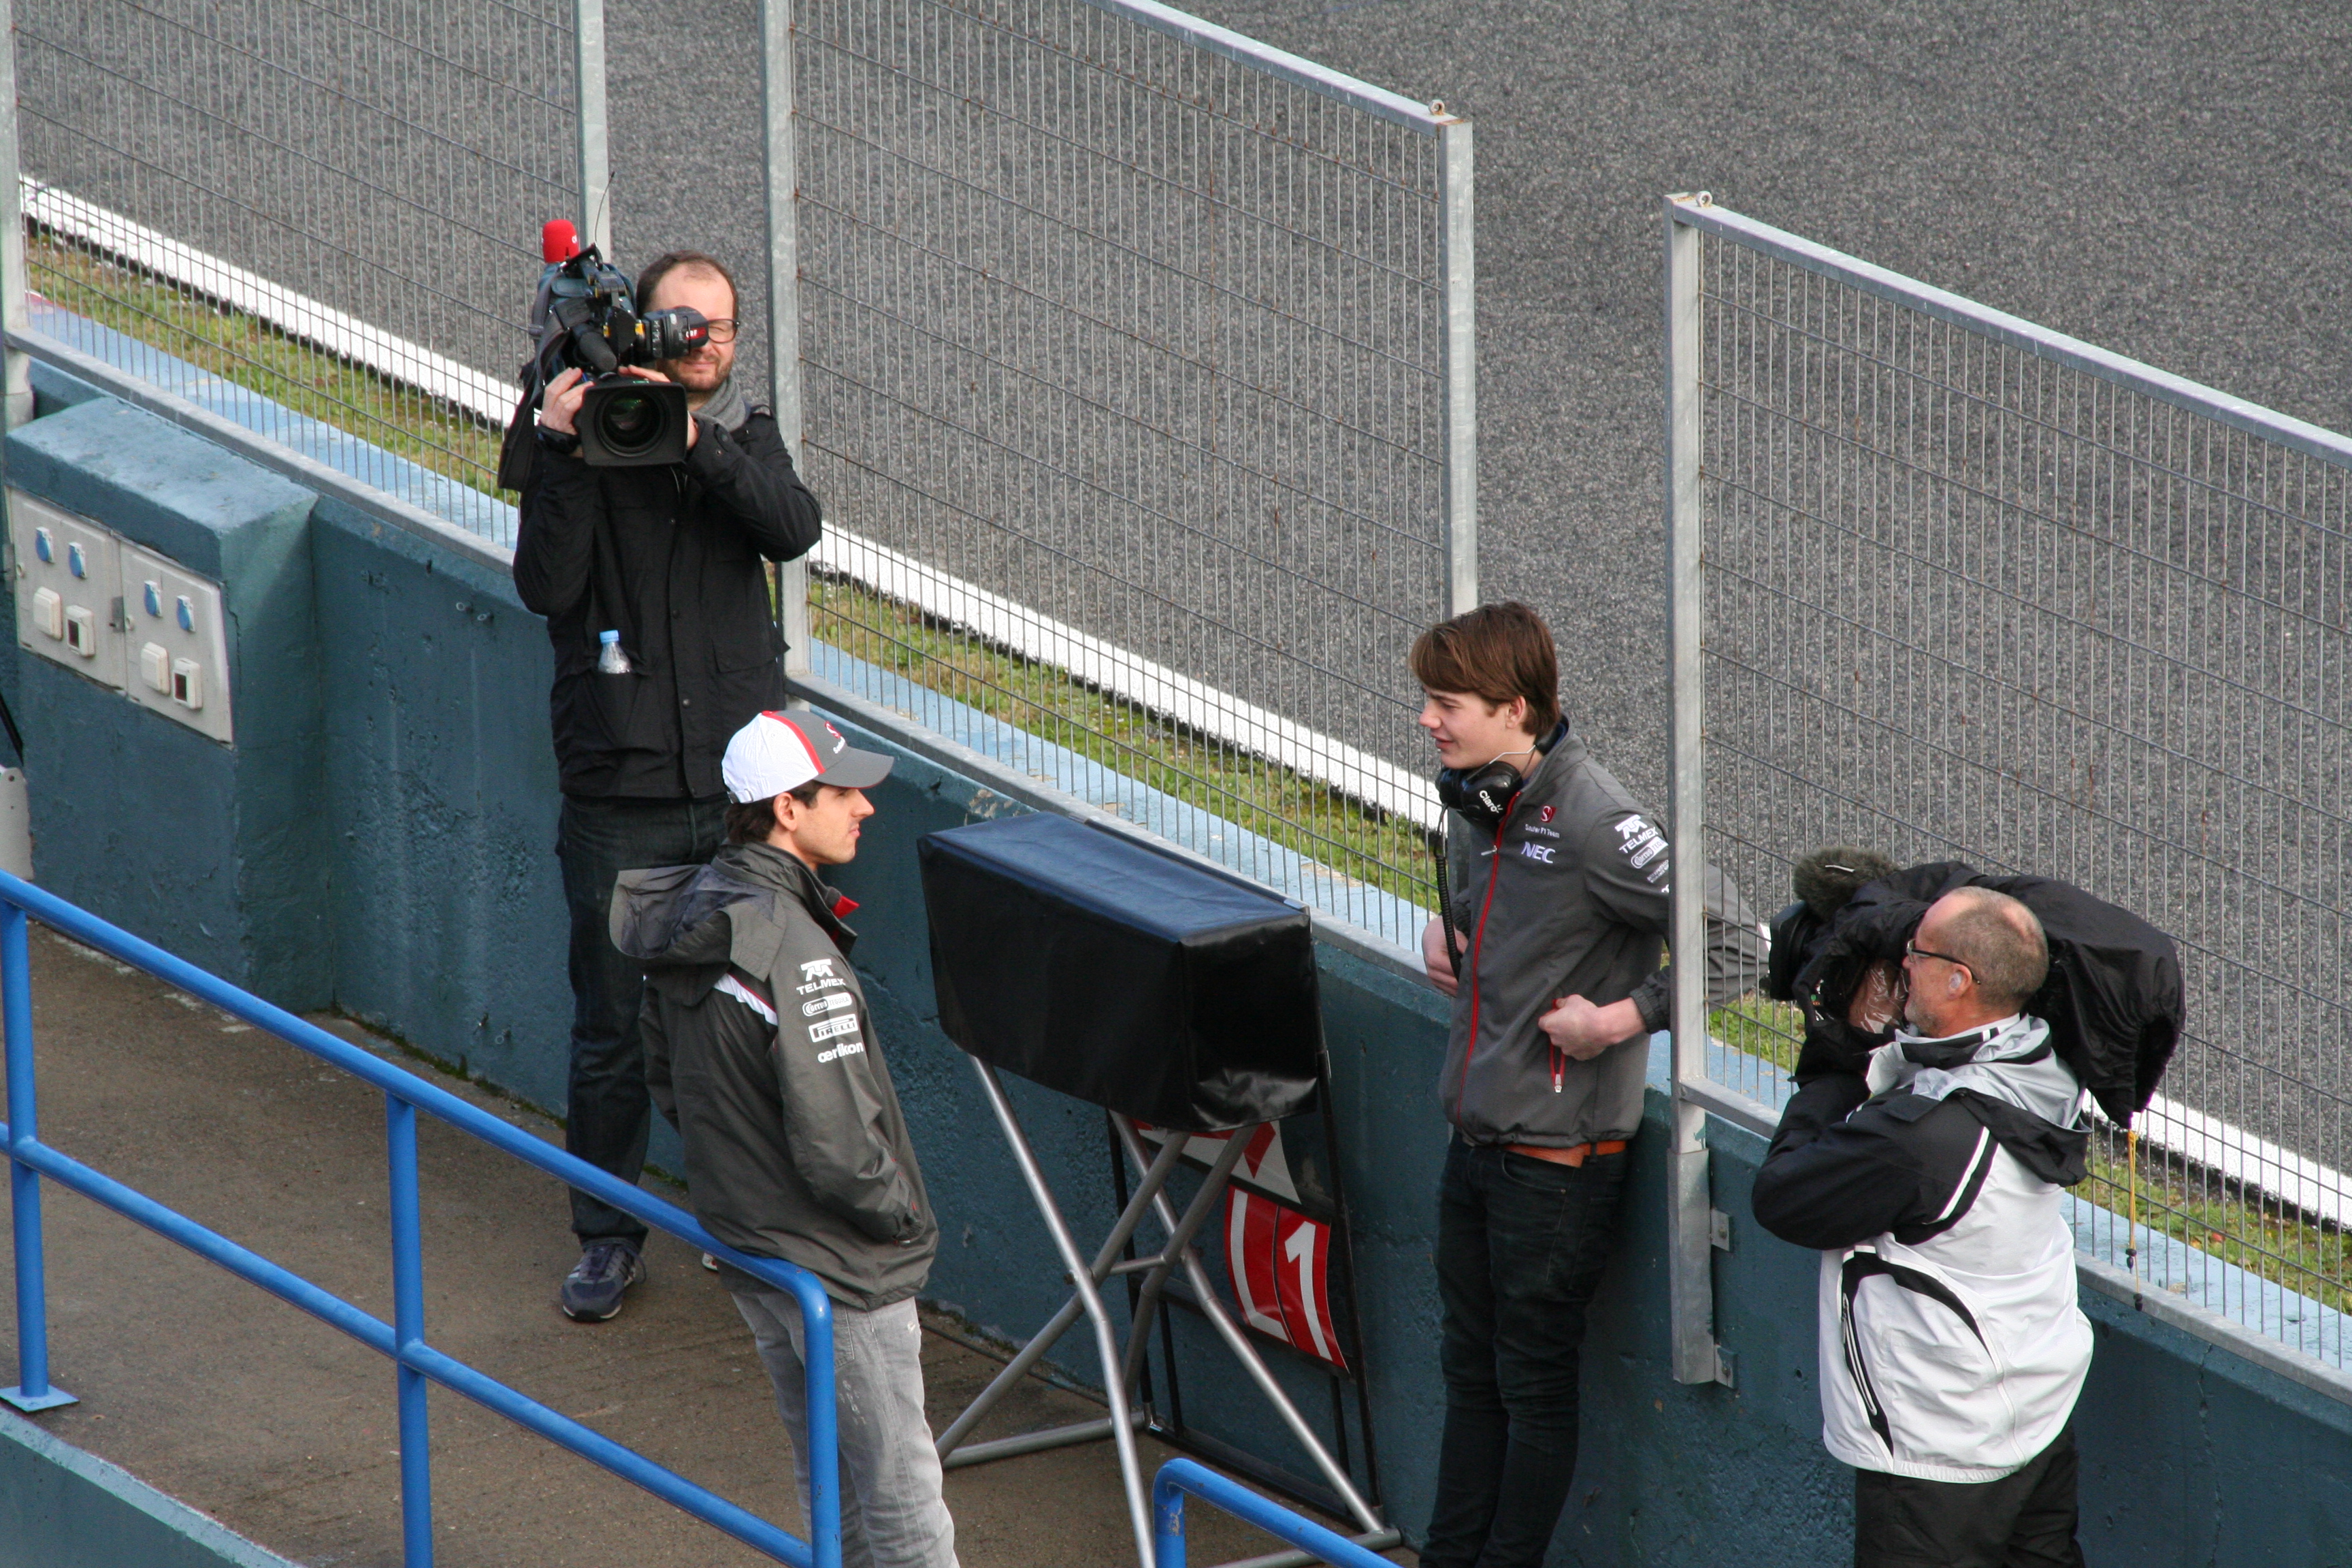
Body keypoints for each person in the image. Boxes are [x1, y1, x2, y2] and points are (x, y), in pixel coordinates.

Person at [1413, 601, 1765, 1568]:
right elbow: (1495, 915)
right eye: (1428, 701)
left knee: (1528, 1387)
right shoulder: (1477, 801)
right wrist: (1448, 931)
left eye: (1447, 704)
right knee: (1469, 1375)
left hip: (1558, 1168)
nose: (1428, 720)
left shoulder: (1599, 820)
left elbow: (1741, 944)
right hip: (1475, 1145)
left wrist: (1619, 1020)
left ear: (1515, 709)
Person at [514, 250, 823, 1320]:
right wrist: (563, 447)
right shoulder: (581, 440)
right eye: (681, 324)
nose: (702, 343)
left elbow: (793, 528)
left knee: (759, 1025)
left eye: (720, 329)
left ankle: (763, 1235)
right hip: (622, 792)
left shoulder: (741, 440)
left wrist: (694, 442)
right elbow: (545, 586)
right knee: (613, 1029)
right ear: (638, 329)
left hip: (742, 794)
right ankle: (607, 1238)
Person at [613, 709, 958, 1568]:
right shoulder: (797, 953)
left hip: (751, 1245)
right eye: (842, 794)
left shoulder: (695, 907)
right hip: (838, 1267)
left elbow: (667, 1079)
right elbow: (841, 1149)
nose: (865, 808)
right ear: (787, 810)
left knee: (832, 1492)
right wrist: (902, 1220)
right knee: (904, 1508)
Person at [1751, 886, 2093, 1568]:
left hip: (1937, 1452)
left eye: (1916, 953)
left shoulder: (1917, 1140)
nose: (1902, 963)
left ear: (1960, 980)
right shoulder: (2044, 1064)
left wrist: (1839, 1052)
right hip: (2038, 1413)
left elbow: (1783, 1196)